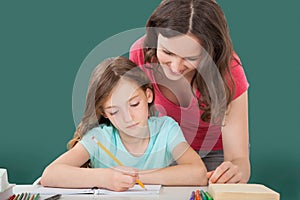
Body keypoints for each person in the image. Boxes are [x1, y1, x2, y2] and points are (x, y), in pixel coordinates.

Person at [40, 57, 207, 191]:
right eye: (114, 111)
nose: (128, 118)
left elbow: (198, 173)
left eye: (134, 104)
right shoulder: (98, 138)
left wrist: (137, 177)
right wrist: (106, 178)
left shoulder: (166, 129)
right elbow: (50, 174)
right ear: (104, 112)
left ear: (148, 95)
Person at [130, 0, 250, 183]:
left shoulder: (229, 72)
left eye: (191, 57)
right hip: (166, 152)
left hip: (215, 156)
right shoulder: (141, 53)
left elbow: (238, 159)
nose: (176, 67)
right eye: (167, 52)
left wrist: (236, 172)